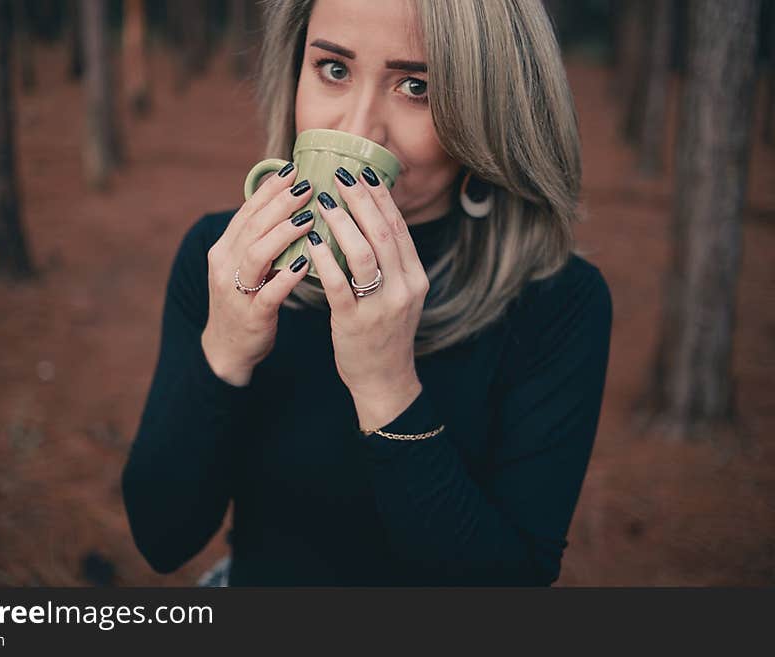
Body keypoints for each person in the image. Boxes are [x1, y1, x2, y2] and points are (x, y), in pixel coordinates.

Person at [121, 0, 613, 586]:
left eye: (415, 86)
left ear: (489, 107)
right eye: (333, 70)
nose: (356, 130)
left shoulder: (557, 302)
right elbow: (160, 537)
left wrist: (387, 386)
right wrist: (224, 350)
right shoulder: (222, 259)